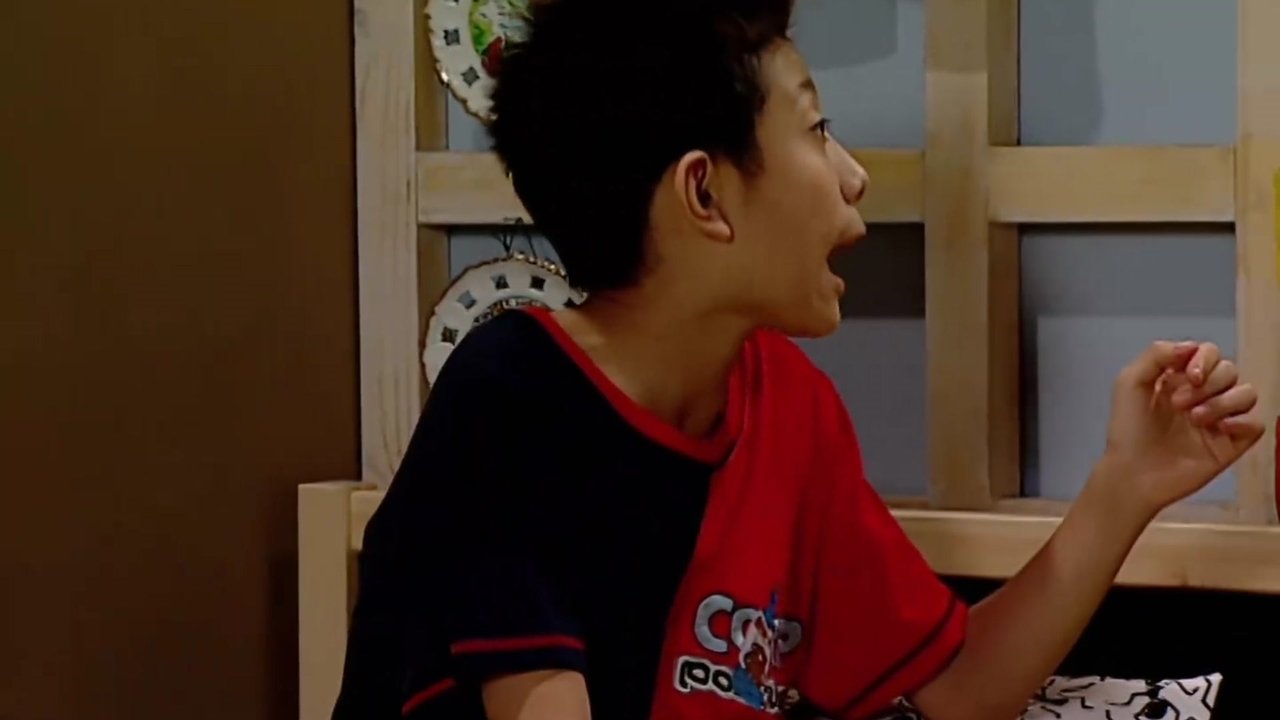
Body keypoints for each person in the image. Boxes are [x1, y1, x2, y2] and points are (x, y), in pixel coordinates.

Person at [331, 1, 1265, 718]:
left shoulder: (787, 401)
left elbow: (962, 688)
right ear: (705, 194)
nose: (855, 177)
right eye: (817, 132)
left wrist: (1125, 485)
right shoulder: (514, 395)